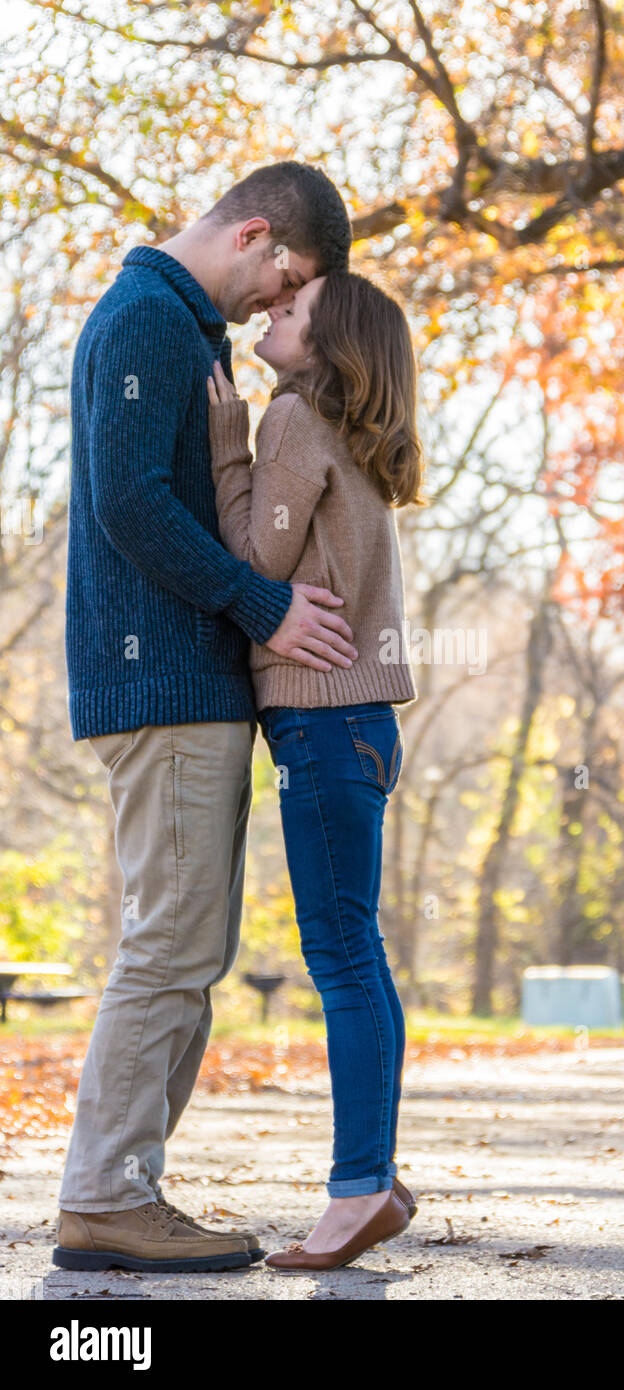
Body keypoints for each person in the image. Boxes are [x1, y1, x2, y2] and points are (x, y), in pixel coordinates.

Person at [55, 163, 357, 1274]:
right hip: (165, 684)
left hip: (187, 686)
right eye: (291, 278)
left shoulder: (177, 328)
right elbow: (131, 501)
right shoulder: (146, 320)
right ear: (258, 233)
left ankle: (125, 1188)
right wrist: (262, 603)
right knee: (169, 946)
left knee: (190, 948)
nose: (283, 303)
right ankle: (102, 1195)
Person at [205, 266, 423, 1270]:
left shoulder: (292, 419)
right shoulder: (355, 440)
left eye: (288, 309)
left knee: (341, 957)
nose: (268, 311)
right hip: (358, 727)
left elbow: (256, 558)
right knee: (355, 951)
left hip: (324, 726)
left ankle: (356, 1187)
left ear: (326, 345)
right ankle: (368, 1173)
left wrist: (223, 442)